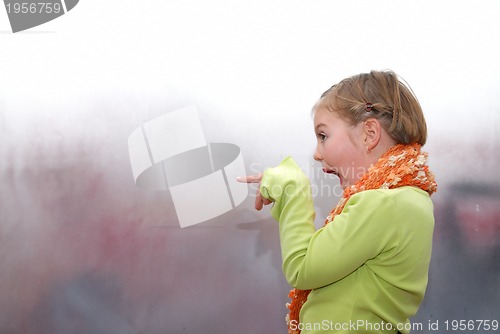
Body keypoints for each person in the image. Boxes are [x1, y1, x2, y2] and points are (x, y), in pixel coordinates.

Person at [237, 70, 437, 334]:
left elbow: (303, 267)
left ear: (369, 133)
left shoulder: (383, 204)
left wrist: (293, 190)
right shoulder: (410, 198)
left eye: (323, 136)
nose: (317, 154)